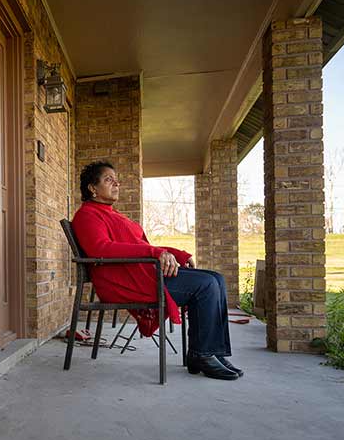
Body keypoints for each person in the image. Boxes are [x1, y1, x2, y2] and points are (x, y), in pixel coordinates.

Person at [71, 161, 243, 381]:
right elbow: (100, 248)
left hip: (140, 273)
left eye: (116, 179)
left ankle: (211, 352)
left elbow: (139, 246)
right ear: (92, 188)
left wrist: (177, 253)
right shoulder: (87, 215)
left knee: (216, 279)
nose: (116, 183)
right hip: (125, 281)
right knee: (206, 285)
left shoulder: (114, 214)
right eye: (108, 179)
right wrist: (155, 252)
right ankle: (202, 354)